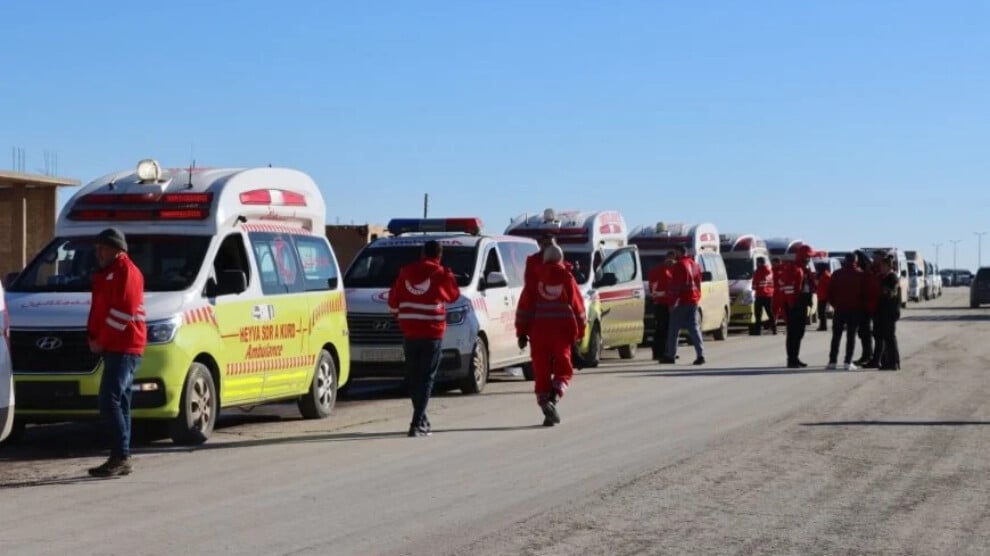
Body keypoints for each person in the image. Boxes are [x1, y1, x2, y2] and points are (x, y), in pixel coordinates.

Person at [87, 228, 147, 477]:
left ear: (116, 249)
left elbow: (123, 312)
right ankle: (121, 455)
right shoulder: (109, 272)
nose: (98, 253)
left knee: (109, 399)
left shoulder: (126, 271)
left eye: (102, 248)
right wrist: (94, 337)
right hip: (115, 345)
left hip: (124, 345)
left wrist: (100, 340)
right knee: (119, 401)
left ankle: (120, 456)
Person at [388, 240, 460, 437]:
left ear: (422, 254)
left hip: (410, 332)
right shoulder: (441, 274)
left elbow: (393, 302)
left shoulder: (405, 273)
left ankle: (421, 419)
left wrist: (401, 316)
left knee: (414, 378)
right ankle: (417, 423)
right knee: (426, 378)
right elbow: (453, 296)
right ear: (439, 255)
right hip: (432, 333)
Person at [515, 245, 586, 426]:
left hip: (538, 333)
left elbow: (524, 308)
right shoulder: (567, 278)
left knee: (541, 372)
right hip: (562, 333)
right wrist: (581, 331)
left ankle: (545, 405)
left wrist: (521, 332)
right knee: (564, 370)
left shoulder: (534, 279)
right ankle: (553, 399)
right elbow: (578, 308)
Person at [660, 245, 704, 365]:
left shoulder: (680, 265)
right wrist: (697, 297)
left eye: (675, 253)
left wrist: (672, 303)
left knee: (674, 330)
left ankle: (671, 355)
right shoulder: (695, 265)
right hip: (693, 300)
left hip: (681, 301)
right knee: (694, 328)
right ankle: (700, 354)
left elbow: (676, 286)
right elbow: (698, 283)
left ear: (679, 252)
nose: (675, 256)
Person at [826, 253, 864, 370]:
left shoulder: (837, 274)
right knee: (851, 336)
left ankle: (832, 361)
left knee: (836, 336)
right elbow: (864, 293)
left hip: (839, 309)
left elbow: (830, 292)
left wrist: (835, 304)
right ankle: (848, 362)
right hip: (854, 309)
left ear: (845, 261)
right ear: (855, 261)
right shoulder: (860, 274)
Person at [874, 256, 902, 370]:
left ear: (888, 266)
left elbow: (893, 293)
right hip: (882, 312)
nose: (881, 267)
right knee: (885, 337)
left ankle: (893, 362)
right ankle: (887, 362)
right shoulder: (883, 277)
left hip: (889, 312)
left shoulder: (892, 277)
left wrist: (884, 291)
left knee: (890, 337)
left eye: (883, 265)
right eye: (880, 265)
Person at [648, 251, 676, 360]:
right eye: (670, 259)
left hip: (672, 304)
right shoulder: (657, 271)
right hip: (662, 304)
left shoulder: (676, 271)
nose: (672, 262)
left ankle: (668, 351)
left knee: (670, 330)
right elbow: (654, 291)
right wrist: (667, 293)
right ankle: (659, 353)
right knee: (661, 329)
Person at [854, 251, 879, 366]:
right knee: (864, 332)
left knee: (865, 332)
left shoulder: (866, 273)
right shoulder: (866, 272)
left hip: (866, 306)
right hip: (865, 306)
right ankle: (867, 355)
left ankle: (868, 355)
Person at [751, 256, 776, 336]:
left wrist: (754, 287)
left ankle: (758, 331)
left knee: (758, 314)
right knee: (770, 313)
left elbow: (754, 285)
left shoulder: (758, 272)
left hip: (760, 295)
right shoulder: (770, 271)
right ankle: (774, 329)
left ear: (759, 263)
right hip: (769, 295)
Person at [816, 262, 832, 331]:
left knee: (822, 312)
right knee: (821, 312)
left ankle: (823, 326)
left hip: (824, 296)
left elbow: (829, 287)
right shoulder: (822, 275)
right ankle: (822, 325)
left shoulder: (826, 275)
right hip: (821, 296)